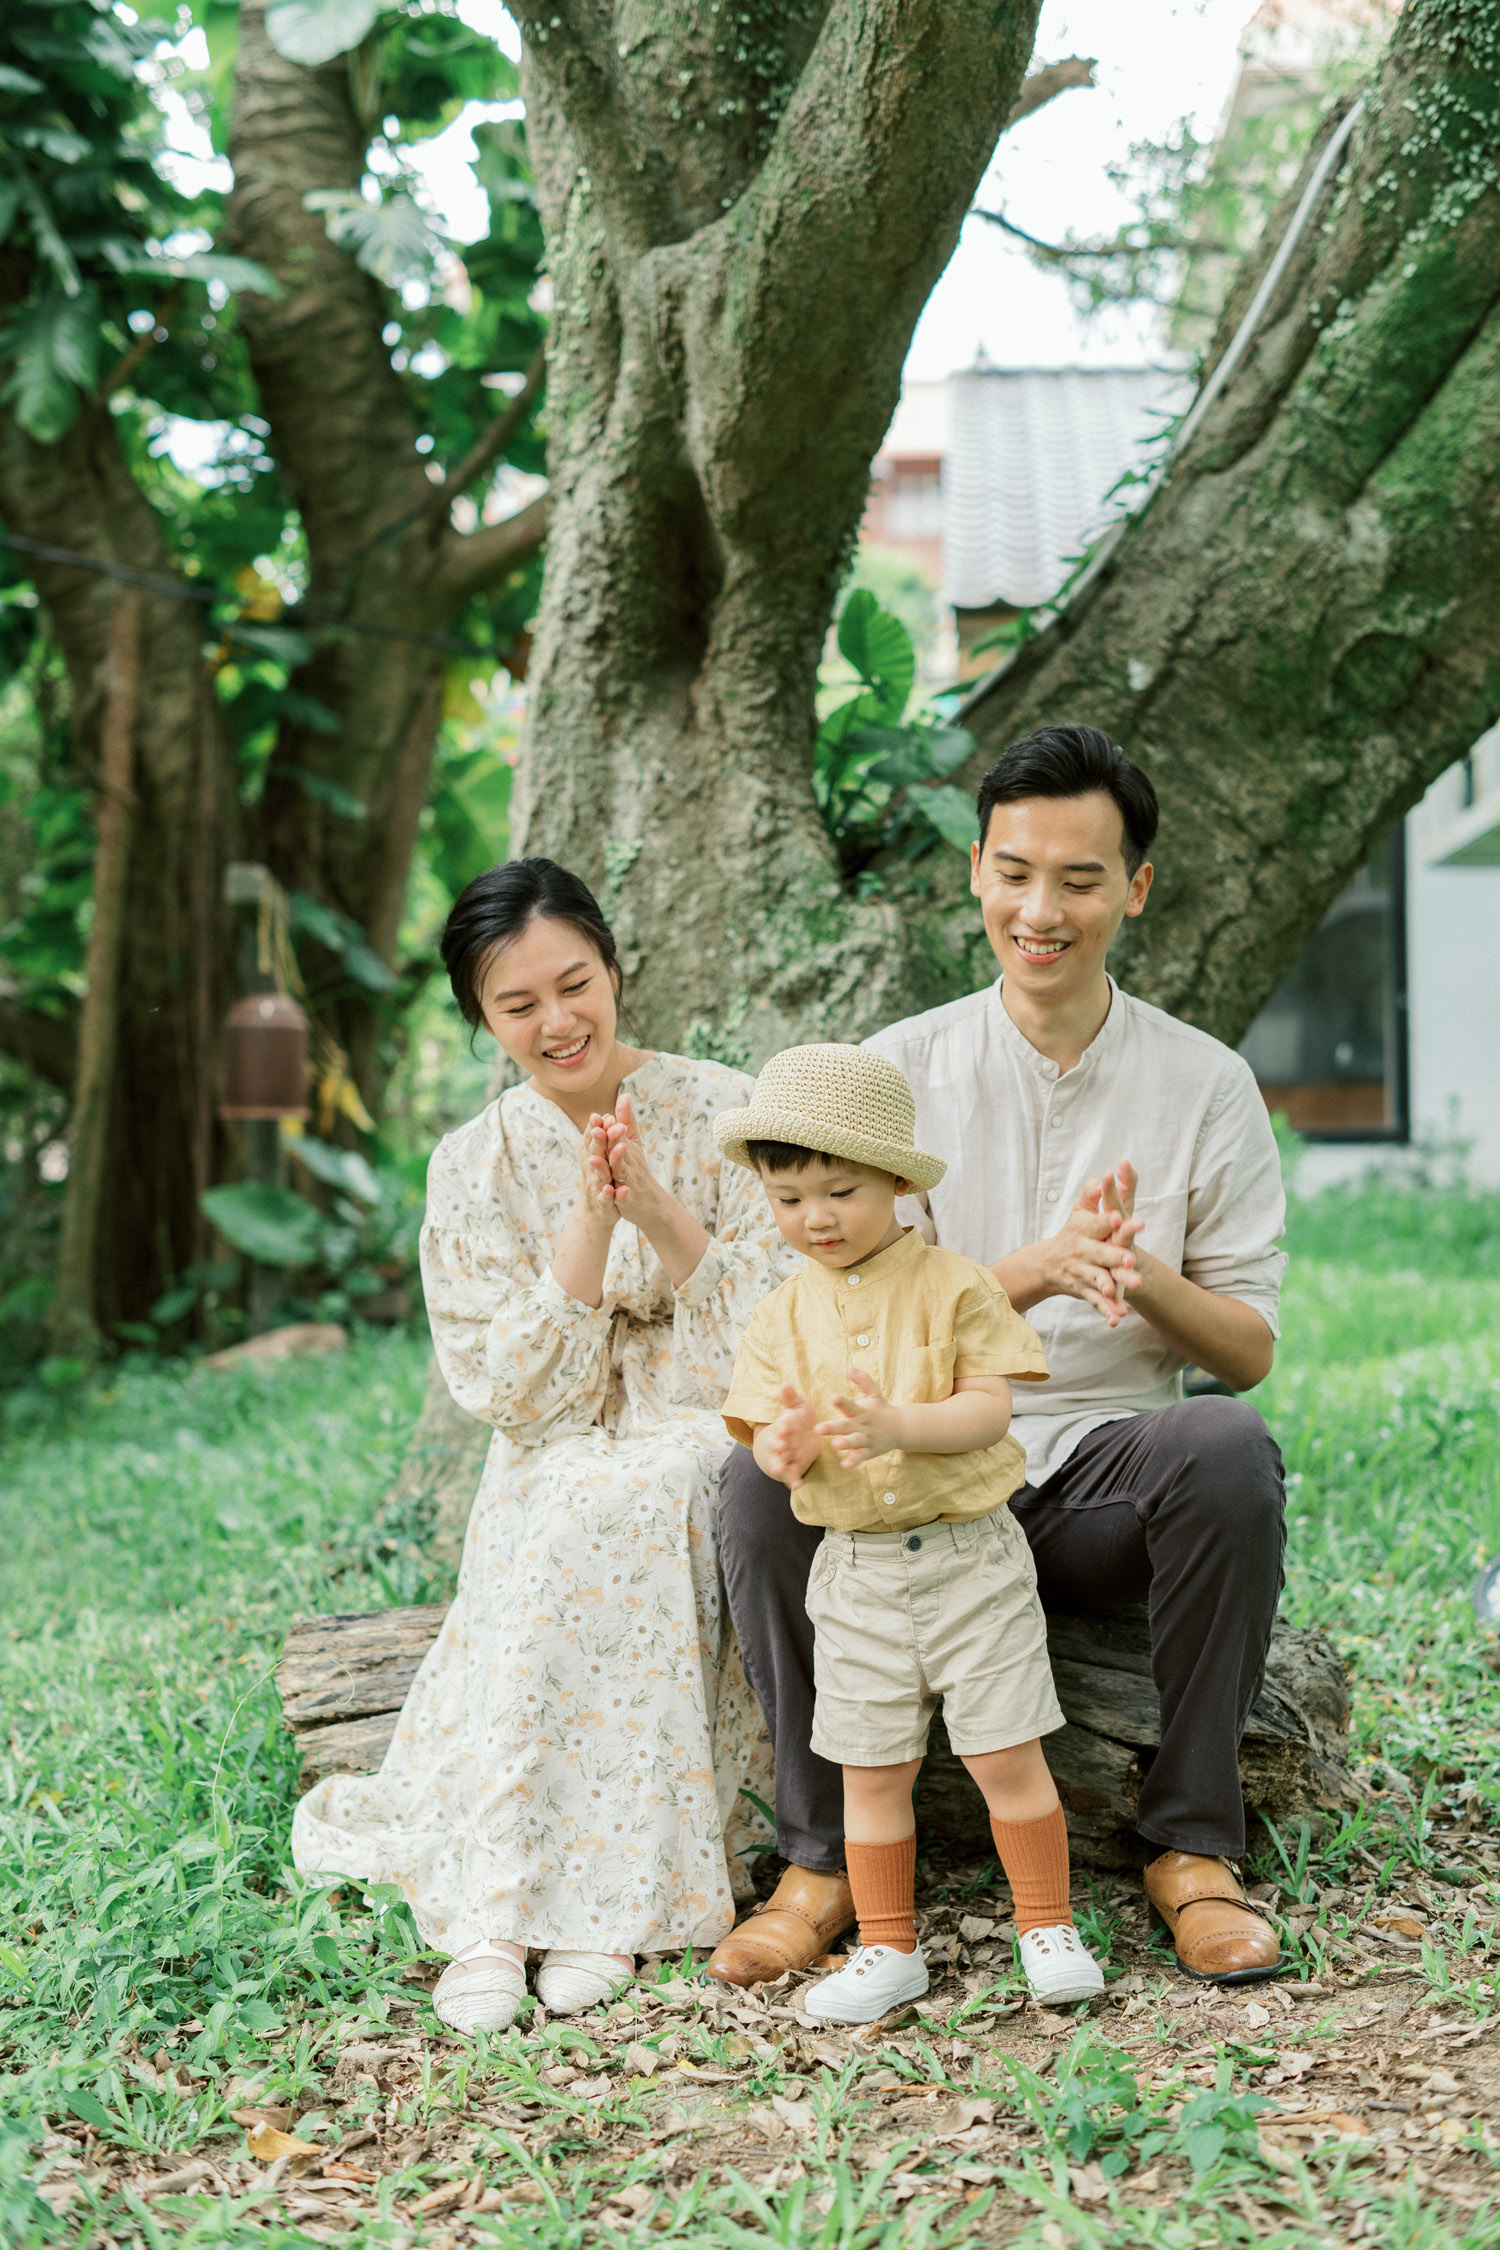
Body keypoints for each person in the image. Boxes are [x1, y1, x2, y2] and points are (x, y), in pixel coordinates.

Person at [712, 725, 1289, 1991]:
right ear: (976, 870)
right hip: (909, 1475)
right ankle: (820, 1866)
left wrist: (1141, 1279)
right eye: (1016, 873)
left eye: (1081, 879)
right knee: (754, 1485)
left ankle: (1192, 1849)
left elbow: (1244, 1353)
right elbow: (833, 1287)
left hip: (1092, 1483)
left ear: (1135, 888)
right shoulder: (896, 1073)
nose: (1043, 909)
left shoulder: (1206, 1083)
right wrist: (1036, 1265)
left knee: (1228, 1448)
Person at [292, 859, 793, 2033]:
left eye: (574, 985)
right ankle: (500, 1912)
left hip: (696, 1430)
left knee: (640, 1496)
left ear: (614, 972)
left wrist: (655, 1205)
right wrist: (584, 1219)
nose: (557, 1021)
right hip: (554, 1449)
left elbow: (775, 1335)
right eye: (518, 1007)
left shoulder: (730, 1112)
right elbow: (512, 1393)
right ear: (482, 1020)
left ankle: (605, 1906)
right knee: (561, 1501)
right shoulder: (470, 1166)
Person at [712, 1043, 1107, 2021]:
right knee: (871, 1764)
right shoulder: (780, 1315)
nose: (817, 1219)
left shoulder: (956, 1284)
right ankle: (889, 1948)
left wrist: (899, 1428)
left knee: (1005, 1751)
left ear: (896, 1179)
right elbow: (764, 1436)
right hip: (856, 1574)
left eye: (840, 1191)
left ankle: (1046, 1924)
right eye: (790, 1198)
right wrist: (785, 1448)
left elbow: (989, 1410)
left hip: (971, 1558)